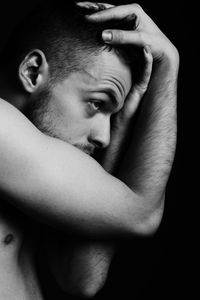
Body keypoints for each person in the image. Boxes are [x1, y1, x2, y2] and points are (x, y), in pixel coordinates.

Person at [0, 1, 179, 299]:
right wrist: (169, 64)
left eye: (110, 115)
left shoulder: (35, 160)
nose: (103, 138)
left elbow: (81, 277)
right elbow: (141, 214)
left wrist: (121, 124)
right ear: (32, 72)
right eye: (97, 103)